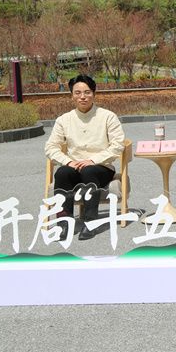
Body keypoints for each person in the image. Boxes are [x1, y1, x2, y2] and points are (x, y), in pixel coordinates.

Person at [45, 75, 125, 241]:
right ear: (72, 96)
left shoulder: (108, 116)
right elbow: (50, 147)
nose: (83, 96)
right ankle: (63, 224)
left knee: (89, 171)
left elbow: (118, 145)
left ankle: (90, 222)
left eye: (87, 92)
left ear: (94, 94)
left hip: (101, 168)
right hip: (75, 167)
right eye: (78, 93)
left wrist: (93, 160)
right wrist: (68, 162)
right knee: (62, 173)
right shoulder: (64, 120)